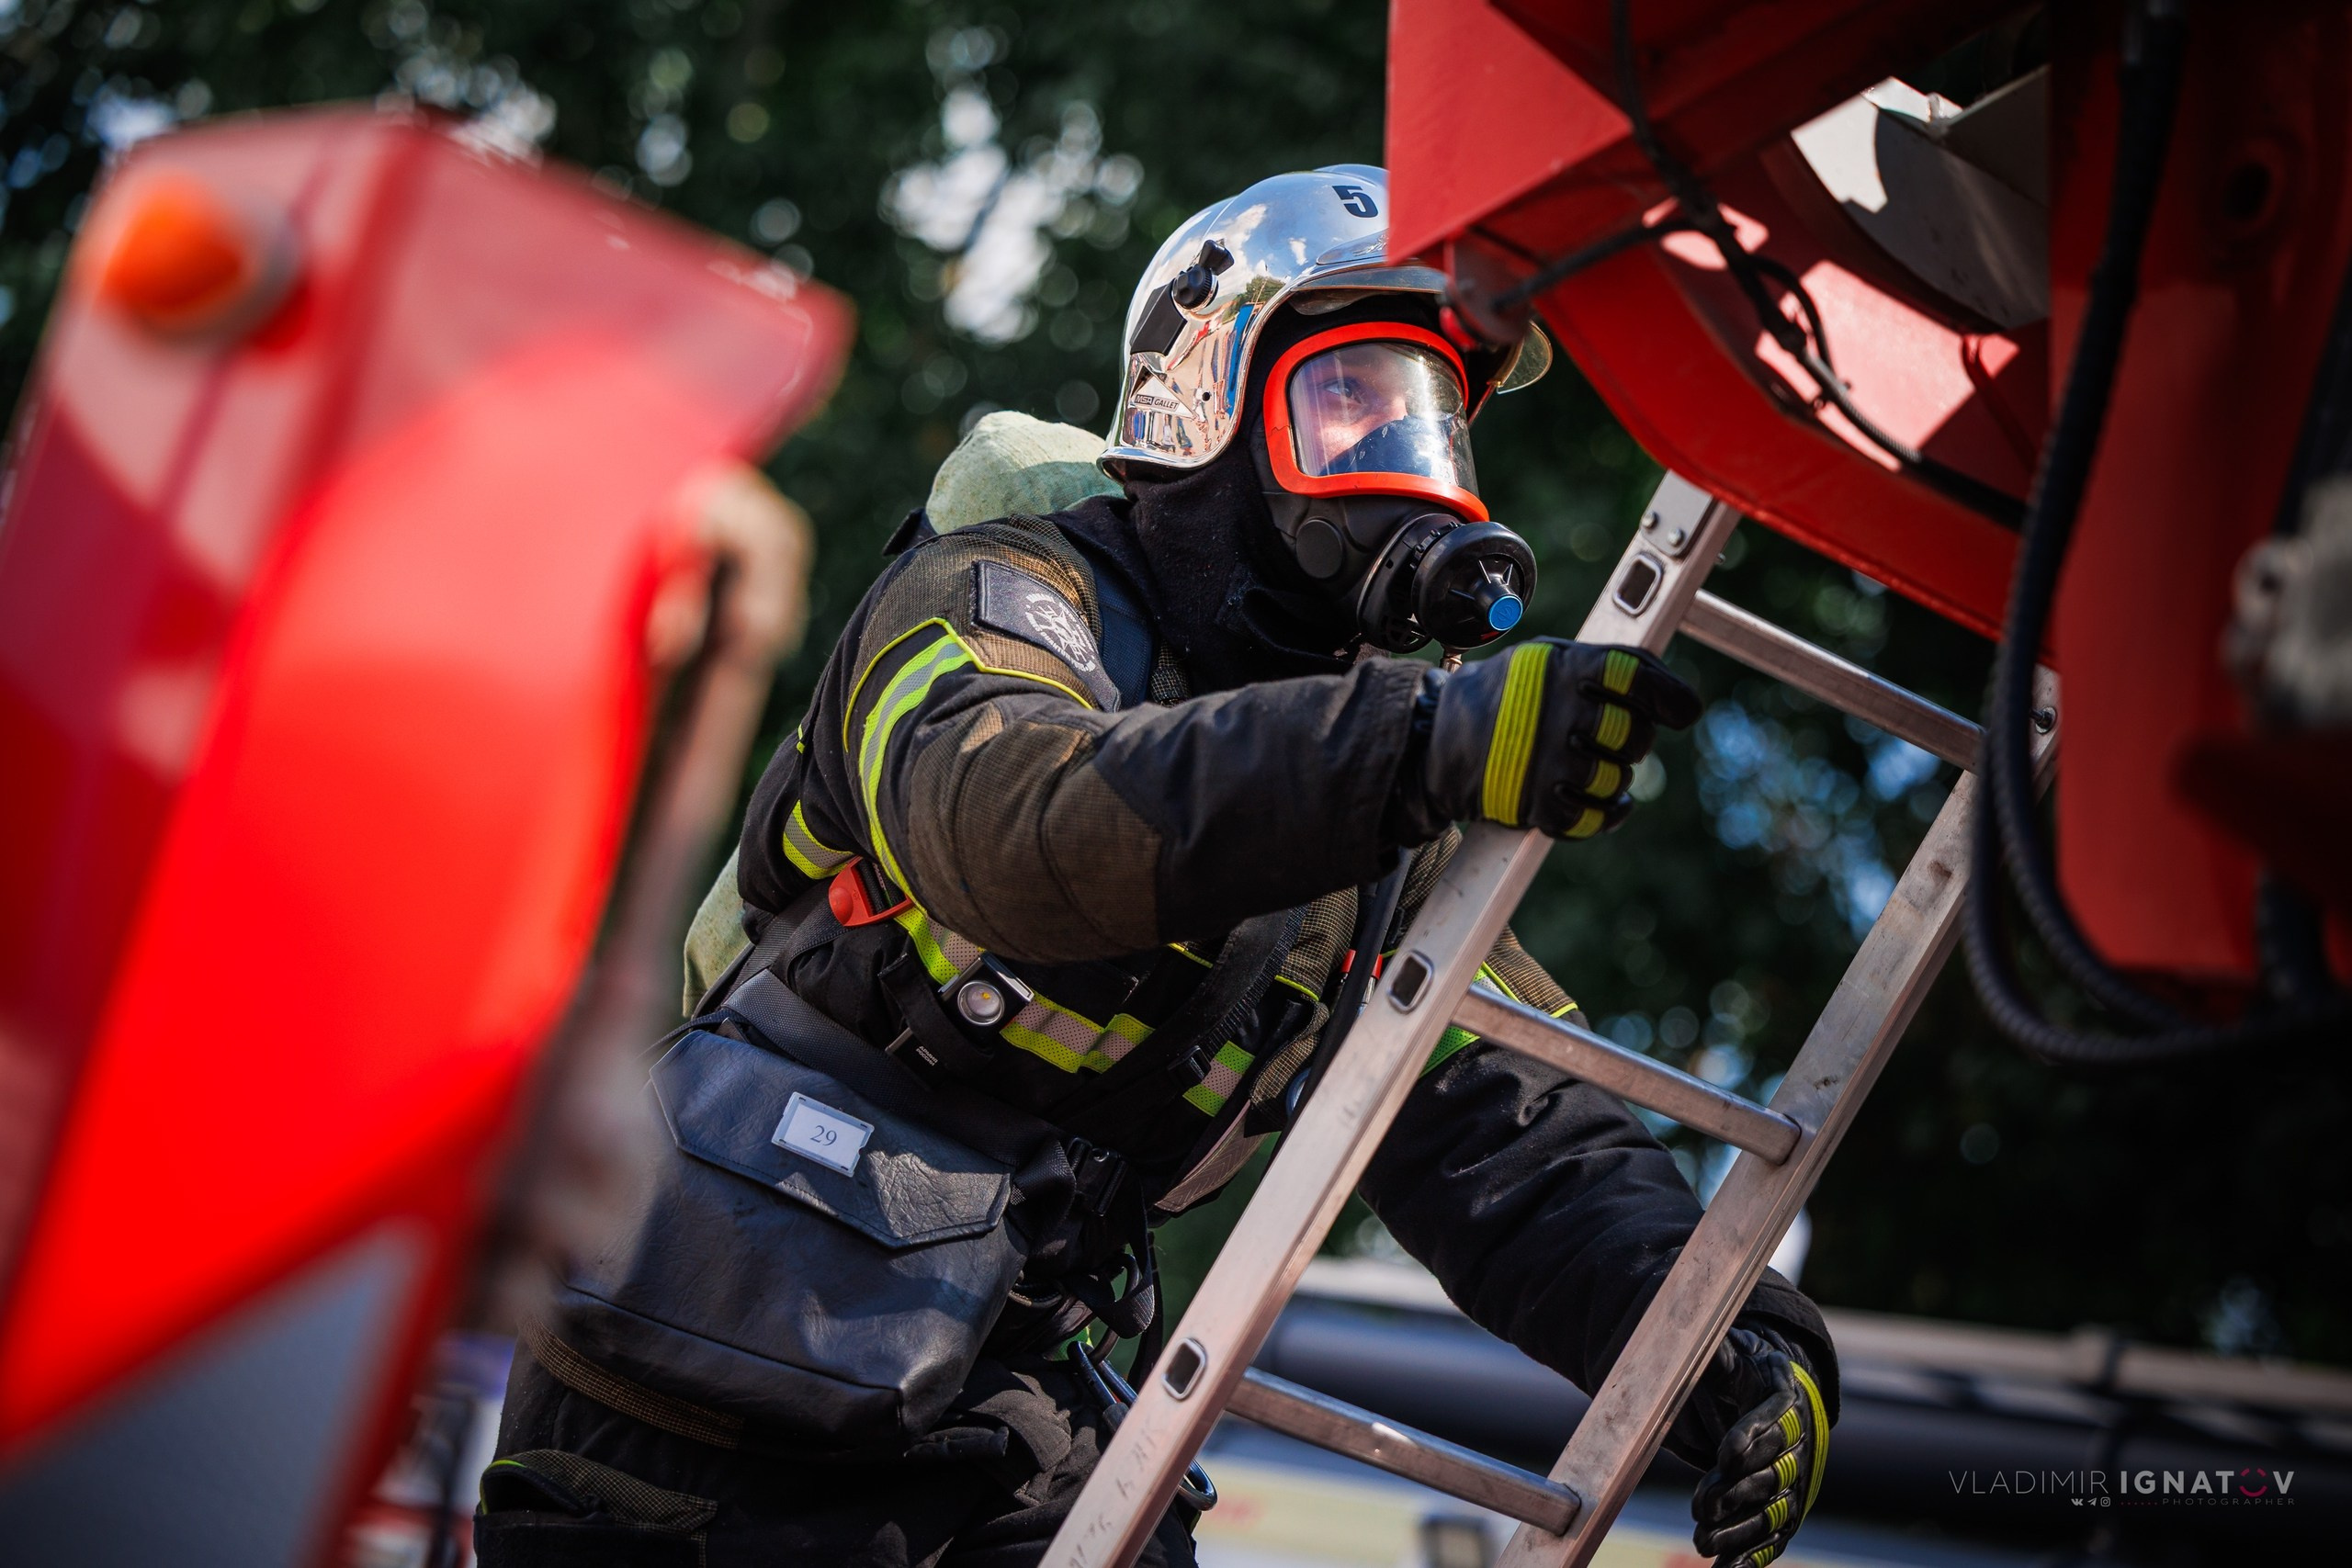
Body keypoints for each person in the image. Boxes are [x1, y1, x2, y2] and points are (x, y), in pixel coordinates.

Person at [478, 165, 1834, 1568]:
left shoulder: (1369, 800)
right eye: (1357, 401)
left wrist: (1715, 1342)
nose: (1412, 462)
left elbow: (1503, 1124)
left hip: (1013, 1421)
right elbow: (1015, 824)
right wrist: (1417, 742)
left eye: (1437, 419)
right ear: (1211, 394)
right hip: (698, 1394)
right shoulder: (992, 598)